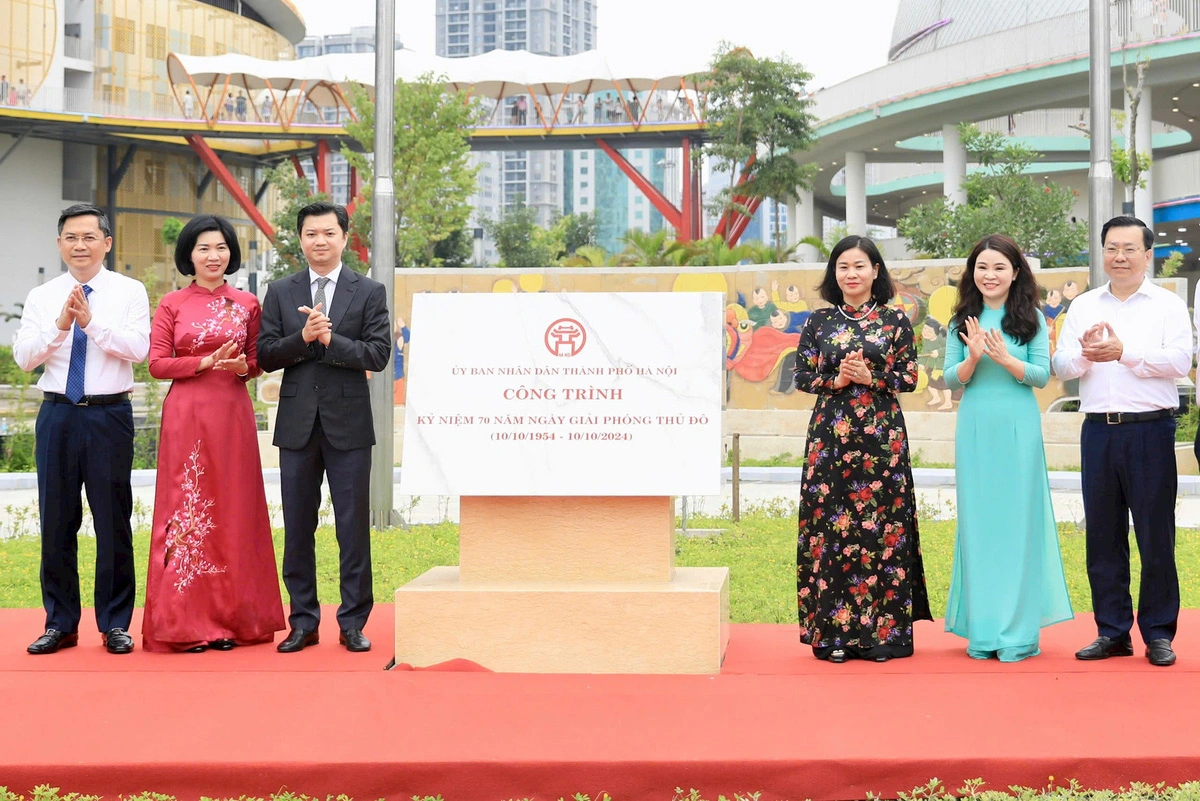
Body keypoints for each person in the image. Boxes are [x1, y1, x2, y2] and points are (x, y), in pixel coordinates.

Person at [142, 215, 285, 653]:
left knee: (234, 510)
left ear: (231, 254)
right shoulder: (172, 304)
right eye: (204, 248)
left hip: (232, 413)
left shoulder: (246, 303)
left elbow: (259, 359)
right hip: (187, 414)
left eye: (221, 247)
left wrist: (244, 367)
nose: (213, 256)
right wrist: (203, 363)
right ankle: (186, 624)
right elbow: (157, 364)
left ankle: (233, 620)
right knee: (185, 507)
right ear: (189, 254)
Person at [1053, 216, 1192, 668]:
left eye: (1130, 249)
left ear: (1147, 255)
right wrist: (1085, 354)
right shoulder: (1084, 306)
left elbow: (1180, 362)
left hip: (1150, 430)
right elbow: (1061, 366)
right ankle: (1112, 631)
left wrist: (1123, 353)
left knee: (1155, 537)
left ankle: (1157, 633)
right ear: (1102, 252)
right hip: (1098, 431)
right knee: (1103, 536)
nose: (1120, 257)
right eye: (1112, 248)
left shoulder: (1167, 305)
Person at [13, 204, 150, 655]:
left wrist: (92, 324)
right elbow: (25, 358)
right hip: (58, 415)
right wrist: (61, 326)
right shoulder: (42, 295)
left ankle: (114, 623)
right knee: (56, 519)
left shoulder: (129, 291)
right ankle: (60, 622)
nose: (80, 245)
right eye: (71, 237)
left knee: (113, 520)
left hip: (109, 415)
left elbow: (139, 349)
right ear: (59, 244)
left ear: (106, 243)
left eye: (89, 237)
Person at [258, 202, 391, 653]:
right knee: (298, 526)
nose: (319, 240)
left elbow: (377, 355)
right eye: (311, 233)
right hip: (296, 425)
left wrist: (332, 339)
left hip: (349, 426)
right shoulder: (279, 290)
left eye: (328, 233)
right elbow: (266, 355)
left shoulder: (369, 291)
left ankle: (352, 621)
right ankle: (303, 621)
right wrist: (304, 339)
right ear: (300, 239)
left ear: (344, 237)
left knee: (351, 527)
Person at [794, 235, 931, 662]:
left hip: (882, 438)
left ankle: (884, 636)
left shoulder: (895, 321)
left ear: (875, 271)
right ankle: (833, 634)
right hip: (830, 439)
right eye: (843, 267)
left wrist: (871, 378)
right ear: (834, 274)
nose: (851, 274)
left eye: (859, 266)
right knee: (831, 529)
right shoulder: (818, 321)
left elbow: (909, 377)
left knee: (883, 528)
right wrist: (835, 380)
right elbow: (801, 375)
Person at [942, 234, 1073, 662]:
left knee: (1018, 527)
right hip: (976, 428)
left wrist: (1005, 358)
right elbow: (950, 380)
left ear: (1015, 272)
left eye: (999, 267)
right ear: (972, 273)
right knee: (980, 527)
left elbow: (1040, 377)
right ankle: (982, 631)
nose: (990, 275)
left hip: (1019, 430)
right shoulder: (961, 320)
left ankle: (1017, 633)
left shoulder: (1031, 317)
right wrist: (973, 357)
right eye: (982, 267)